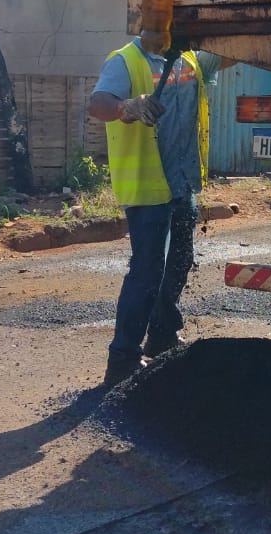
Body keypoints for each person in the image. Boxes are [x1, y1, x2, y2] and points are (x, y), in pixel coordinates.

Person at [87, 21, 221, 384]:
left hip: (180, 183)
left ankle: (161, 336)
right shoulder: (125, 61)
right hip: (147, 186)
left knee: (179, 261)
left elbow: (226, 55)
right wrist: (127, 106)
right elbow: (97, 103)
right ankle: (122, 360)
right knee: (147, 271)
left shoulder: (190, 61)